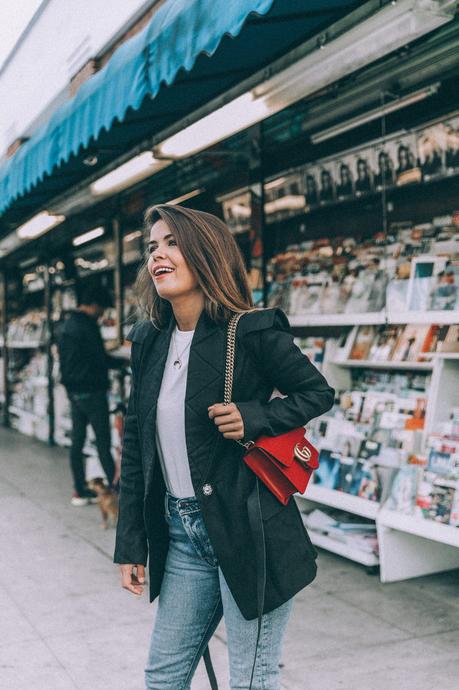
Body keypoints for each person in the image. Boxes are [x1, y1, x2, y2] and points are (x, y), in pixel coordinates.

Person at [113, 204, 335, 690]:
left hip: (249, 527)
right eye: (152, 247)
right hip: (182, 532)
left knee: (250, 682)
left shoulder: (252, 331)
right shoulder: (149, 340)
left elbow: (318, 392)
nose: (158, 255)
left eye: (172, 243)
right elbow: (137, 447)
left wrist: (254, 417)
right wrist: (132, 541)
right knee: (162, 677)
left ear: (205, 252)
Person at [56, 286, 121, 506]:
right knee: (103, 442)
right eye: (101, 309)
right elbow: (99, 358)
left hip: (74, 392)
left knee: (77, 441)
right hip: (92, 391)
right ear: (93, 305)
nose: (101, 314)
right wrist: (124, 361)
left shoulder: (66, 325)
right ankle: (117, 490)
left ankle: (79, 490)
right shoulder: (87, 325)